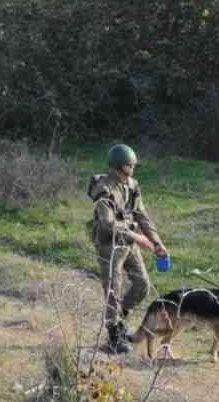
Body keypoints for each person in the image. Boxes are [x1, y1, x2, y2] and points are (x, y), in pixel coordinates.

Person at [87, 143, 169, 354]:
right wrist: (137, 237)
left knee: (143, 285)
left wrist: (157, 242)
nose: (133, 168)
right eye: (129, 165)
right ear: (119, 166)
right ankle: (114, 337)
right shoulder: (103, 188)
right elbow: (107, 223)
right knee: (113, 290)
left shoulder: (132, 185)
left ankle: (120, 320)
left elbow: (141, 215)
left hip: (129, 243)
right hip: (109, 245)